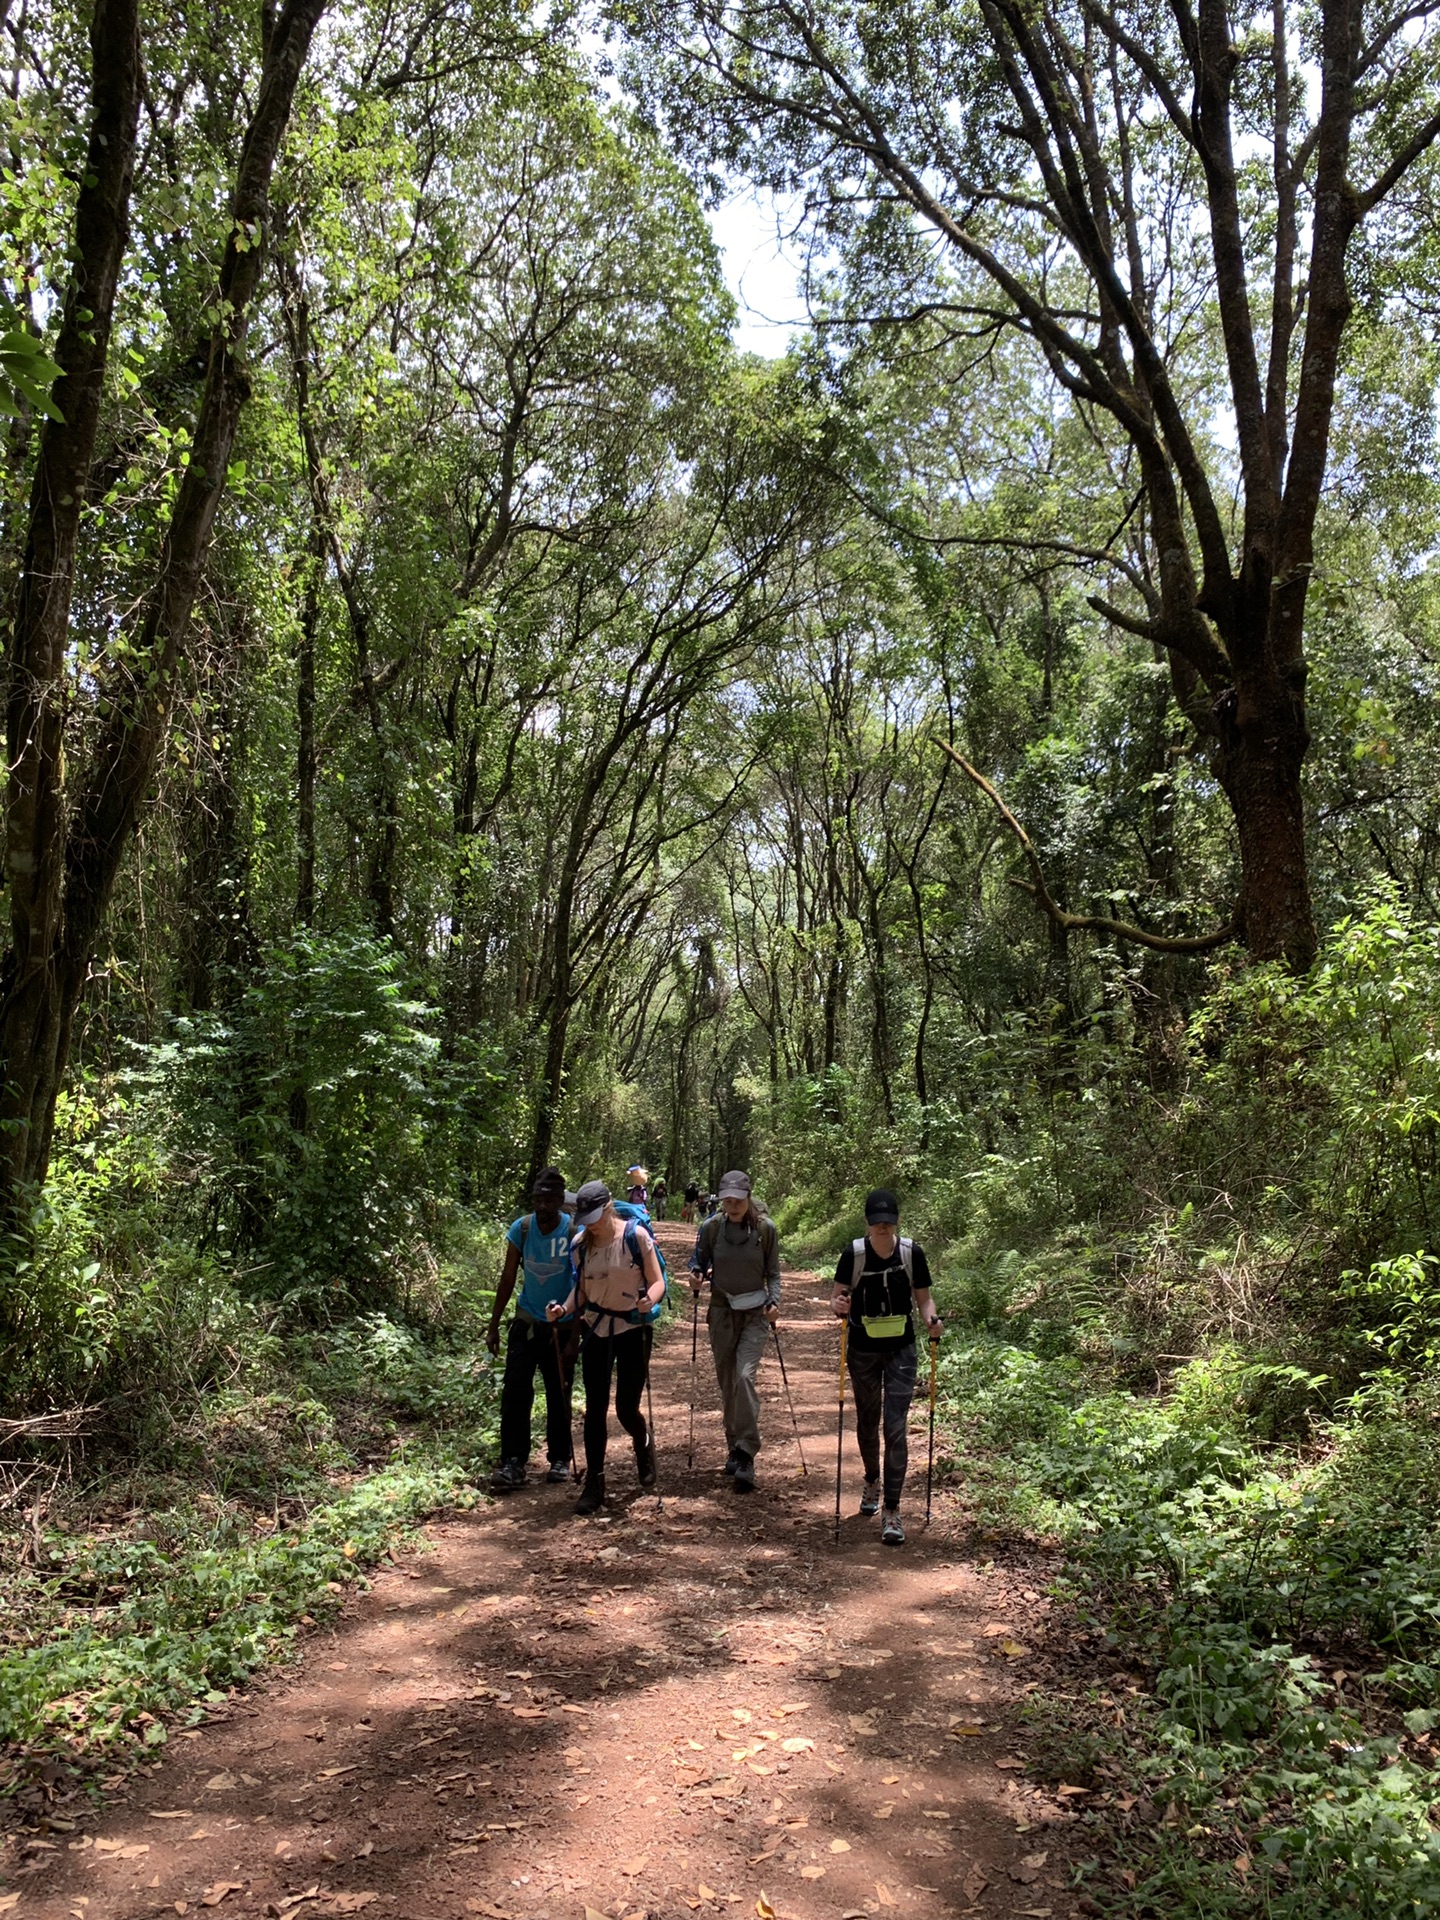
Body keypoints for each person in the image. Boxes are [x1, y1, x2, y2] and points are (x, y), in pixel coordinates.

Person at [831, 1187, 941, 1546]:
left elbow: (923, 1298)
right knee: (867, 1419)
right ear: (867, 1222)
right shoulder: (854, 1253)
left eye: (888, 1222)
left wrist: (932, 1321)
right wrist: (839, 1306)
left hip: (901, 1350)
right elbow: (839, 1294)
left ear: (896, 1223)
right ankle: (871, 1480)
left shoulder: (912, 1253)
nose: (883, 1227)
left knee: (895, 1426)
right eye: (877, 1222)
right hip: (862, 1349)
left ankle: (892, 1510)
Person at [548, 1179, 665, 1515]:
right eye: (585, 1218)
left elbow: (656, 1281)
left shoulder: (635, 1236)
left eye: (595, 1216)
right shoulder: (580, 1245)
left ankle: (643, 1446)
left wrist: (649, 1302)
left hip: (633, 1328)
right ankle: (594, 1482)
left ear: (609, 1207)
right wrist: (564, 1309)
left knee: (626, 1407)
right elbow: (581, 1291)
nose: (590, 1224)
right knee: (595, 1408)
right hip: (596, 1329)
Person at [689, 1169, 781, 1494]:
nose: (733, 1204)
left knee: (744, 1377)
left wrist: (774, 1301)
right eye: (727, 1198)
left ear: (748, 1197)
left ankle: (746, 1452)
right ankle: (733, 1445)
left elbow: (774, 1274)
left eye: (738, 1198)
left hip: (755, 1315)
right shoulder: (711, 1228)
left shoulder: (764, 1230)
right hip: (721, 1311)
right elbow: (697, 1261)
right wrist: (696, 1275)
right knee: (727, 1382)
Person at [486, 1168, 577, 1491]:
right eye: (538, 1198)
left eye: (549, 1199)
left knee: (559, 1391)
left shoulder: (573, 1231)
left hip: (562, 1326)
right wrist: (494, 1325)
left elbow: (581, 1284)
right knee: (515, 1391)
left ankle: (560, 1457)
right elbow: (508, 1277)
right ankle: (513, 1461)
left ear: (560, 1201)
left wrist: (574, 1339)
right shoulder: (521, 1229)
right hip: (526, 1323)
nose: (542, 1206)